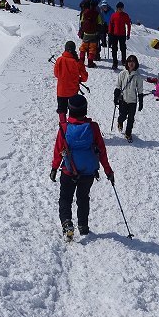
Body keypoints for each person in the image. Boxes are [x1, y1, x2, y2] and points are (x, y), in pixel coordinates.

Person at [49, 94, 113, 240]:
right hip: (88, 172)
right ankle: (83, 226)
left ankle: (67, 224)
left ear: (70, 110)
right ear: (85, 110)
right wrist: (108, 171)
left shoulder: (64, 128)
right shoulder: (93, 127)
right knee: (83, 198)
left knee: (65, 198)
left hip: (68, 171)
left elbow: (58, 149)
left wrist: (54, 168)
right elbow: (101, 151)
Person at [53, 40, 89, 123]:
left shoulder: (59, 60)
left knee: (62, 110)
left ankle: (63, 127)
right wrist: (79, 79)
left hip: (61, 91)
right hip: (73, 91)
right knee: (73, 109)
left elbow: (56, 74)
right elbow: (85, 78)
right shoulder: (77, 62)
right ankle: (72, 126)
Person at [114, 55, 144, 142]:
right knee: (122, 116)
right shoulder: (122, 74)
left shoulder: (138, 76)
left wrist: (141, 102)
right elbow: (118, 86)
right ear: (127, 63)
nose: (131, 63)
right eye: (129, 62)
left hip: (133, 101)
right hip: (123, 100)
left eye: (133, 62)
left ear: (136, 64)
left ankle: (128, 133)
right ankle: (120, 121)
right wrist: (116, 97)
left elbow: (140, 90)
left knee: (131, 118)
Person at [78, 0, 103, 67]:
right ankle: (90, 62)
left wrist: (81, 31)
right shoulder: (97, 13)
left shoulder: (85, 12)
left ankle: (81, 61)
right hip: (94, 34)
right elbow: (100, 23)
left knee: (83, 48)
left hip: (86, 34)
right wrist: (99, 32)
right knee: (92, 49)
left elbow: (82, 22)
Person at [108, 2, 132, 69]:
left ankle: (124, 61)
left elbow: (128, 25)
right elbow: (110, 24)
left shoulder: (125, 15)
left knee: (123, 48)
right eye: (119, 8)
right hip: (114, 35)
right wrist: (110, 32)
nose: (120, 9)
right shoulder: (114, 15)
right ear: (117, 8)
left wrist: (128, 34)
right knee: (114, 49)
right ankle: (115, 63)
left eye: (121, 8)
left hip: (122, 35)